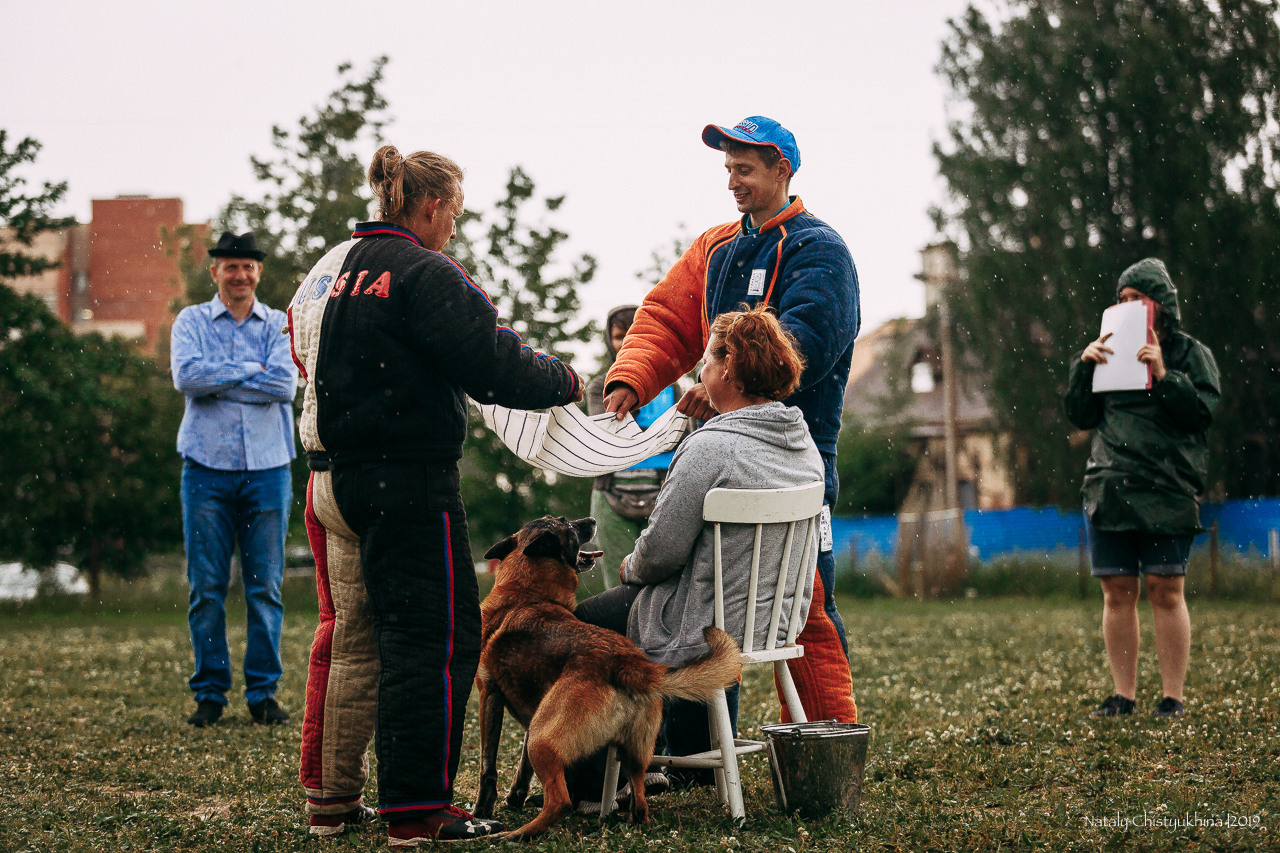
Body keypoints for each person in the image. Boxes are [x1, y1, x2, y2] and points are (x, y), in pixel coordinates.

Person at [288, 144, 583, 845]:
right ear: (431, 206)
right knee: (433, 638)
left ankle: (330, 800)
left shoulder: (328, 269)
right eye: (454, 213)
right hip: (406, 482)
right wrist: (566, 381)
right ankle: (418, 810)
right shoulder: (425, 271)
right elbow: (493, 362)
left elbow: (298, 350)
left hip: (328, 479)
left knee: (347, 639)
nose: (454, 227)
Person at [603, 115, 858, 724]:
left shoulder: (820, 250)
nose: (732, 181)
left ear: (782, 169)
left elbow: (803, 346)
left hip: (795, 461)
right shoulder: (714, 247)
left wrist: (719, 385)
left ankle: (828, 741)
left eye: (744, 169)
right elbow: (665, 318)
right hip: (718, 461)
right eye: (728, 169)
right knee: (702, 608)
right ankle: (694, 750)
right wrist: (631, 377)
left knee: (805, 611)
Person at [567, 304, 824, 803]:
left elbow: (661, 553)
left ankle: (592, 783)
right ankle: (695, 760)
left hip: (709, 622)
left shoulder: (710, 447)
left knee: (582, 626)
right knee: (687, 598)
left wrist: (631, 566)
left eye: (707, 360)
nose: (701, 372)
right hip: (771, 621)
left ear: (728, 368)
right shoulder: (801, 443)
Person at [1064, 258, 1220, 720]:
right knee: (1117, 590)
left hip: (1168, 487)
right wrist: (1083, 368)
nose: (1129, 304)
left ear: (1162, 303)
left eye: (1139, 297)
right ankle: (1123, 695)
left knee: (1165, 588)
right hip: (1110, 485)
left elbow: (1201, 415)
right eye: (1123, 298)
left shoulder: (1191, 354)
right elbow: (1081, 415)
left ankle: (1173, 697)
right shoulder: (1106, 347)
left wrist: (1166, 374)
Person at [170, 230, 298, 728]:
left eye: (247, 266)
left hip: (268, 470)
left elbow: (284, 385)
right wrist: (250, 369)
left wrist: (219, 379)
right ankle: (210, 694)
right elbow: (187, 378)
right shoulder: (191, 321)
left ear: (258, 272)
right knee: (206, 587)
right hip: (205, 471)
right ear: (215, 272)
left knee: (265, 588)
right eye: (230, 266)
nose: (239, 275)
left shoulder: (280, 324)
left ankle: (263, 694)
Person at [584, 305, 681, 589]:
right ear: (609, 340)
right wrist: (654, 432)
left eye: (634, 333)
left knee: (663, 587)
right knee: (617, 587)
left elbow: (681, 437)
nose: (626, 341)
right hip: (611, 497)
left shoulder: (672, 387)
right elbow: (606, 435)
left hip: (664, 498)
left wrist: (633, 429)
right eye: (619, 336)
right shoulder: (599, 387)